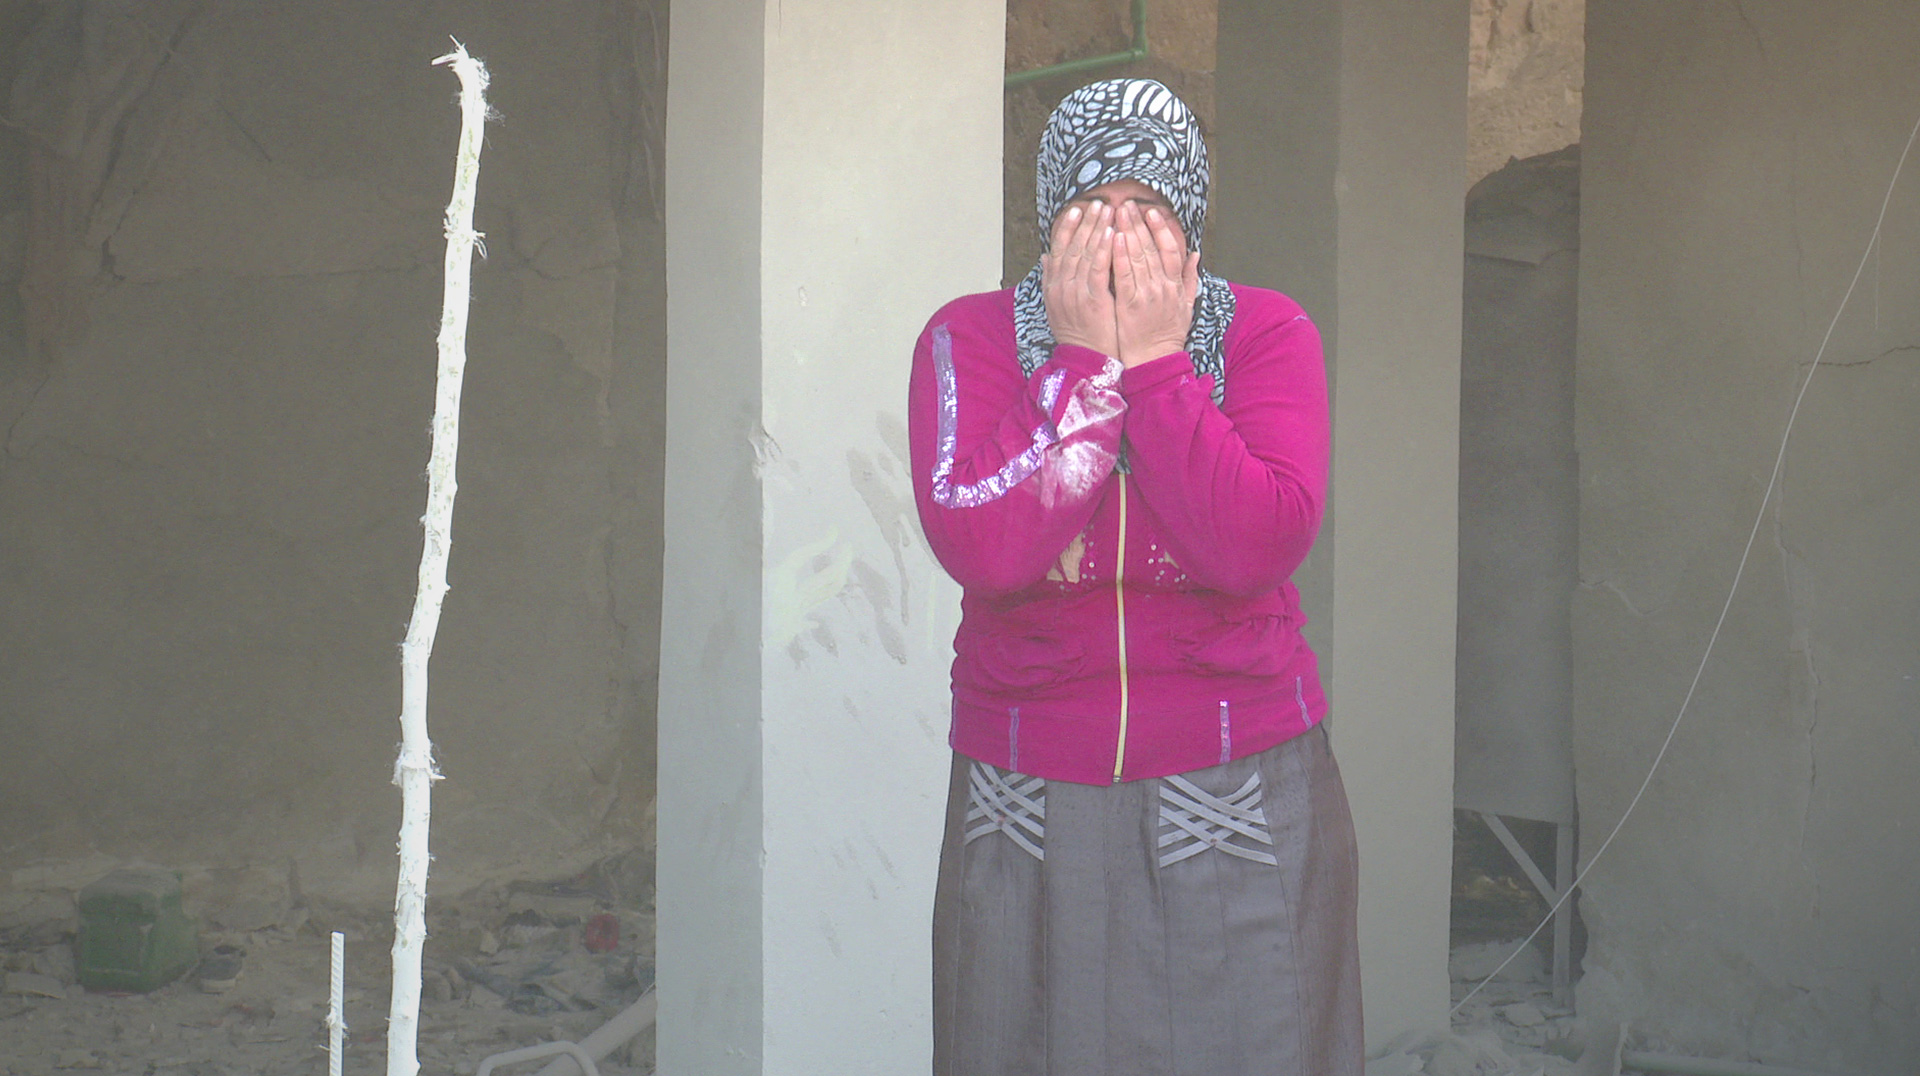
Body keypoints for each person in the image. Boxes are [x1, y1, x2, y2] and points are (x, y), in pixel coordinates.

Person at [907, 78, 1363, 1075]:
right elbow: (986, 549)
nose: (1119, 233)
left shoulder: (1265, 334)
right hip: (1030, 793)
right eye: (1090, 205)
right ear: (1047, 219)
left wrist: (1157, 366)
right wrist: (1079, 364)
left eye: (1149, 206)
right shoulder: (968, 339)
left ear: (1193, 224)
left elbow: (1255, 547)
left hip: (1237, 785)